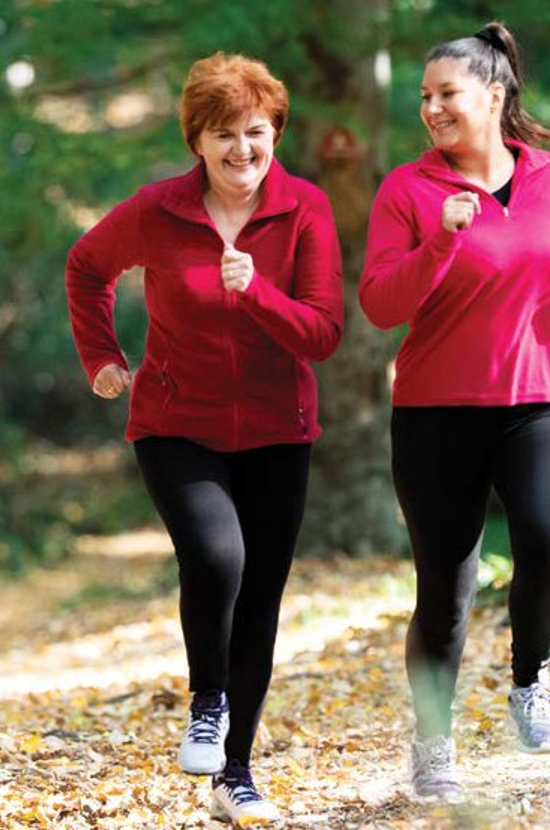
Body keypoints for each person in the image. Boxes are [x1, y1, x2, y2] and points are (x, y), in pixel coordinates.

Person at [66, 52, 343, 826]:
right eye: (223, 134)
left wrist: (256, 292)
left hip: (277, 431)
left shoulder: (305, 210)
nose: (241, 150)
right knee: (218, 557)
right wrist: (102, 359)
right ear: (195, 141)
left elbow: (322, 335)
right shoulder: (157, 211)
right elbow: (87, 268)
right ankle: (206, 700)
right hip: (174, 423)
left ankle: (237, 774)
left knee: (260, 598)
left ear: (275, 133)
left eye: (256, 132)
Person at [359, 22, 550, 800]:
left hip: (544, 396)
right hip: (438, 409)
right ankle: (432, 748)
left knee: (543, 538)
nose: (431, 108)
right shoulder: (408, 190)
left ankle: (529, 684)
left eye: (447, 94)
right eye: (424, 97)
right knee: (445, 590)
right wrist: (437, 242)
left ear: (493, 95)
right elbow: (378, 304)